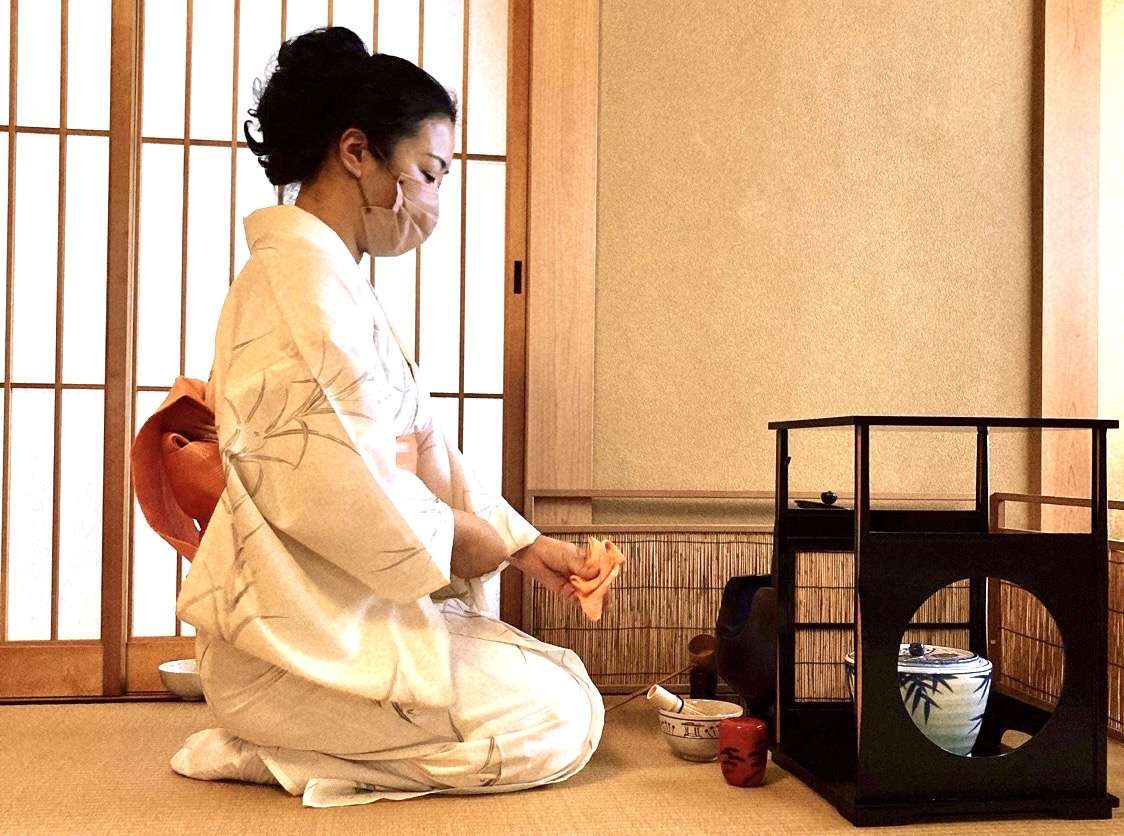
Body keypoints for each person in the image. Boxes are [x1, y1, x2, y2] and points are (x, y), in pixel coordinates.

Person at [169, 26, 605, 809]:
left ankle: (305, 742)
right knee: (560, 718)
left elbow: (422, 450)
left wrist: (523, 545)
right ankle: (278, 752)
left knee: (564, 683)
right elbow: (354, 495)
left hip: (334, 616)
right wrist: (477, 544)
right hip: (293, 648)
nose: (434, 202)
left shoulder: (329, 283)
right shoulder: (299, 294)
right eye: (429, 173)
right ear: (357, 153)